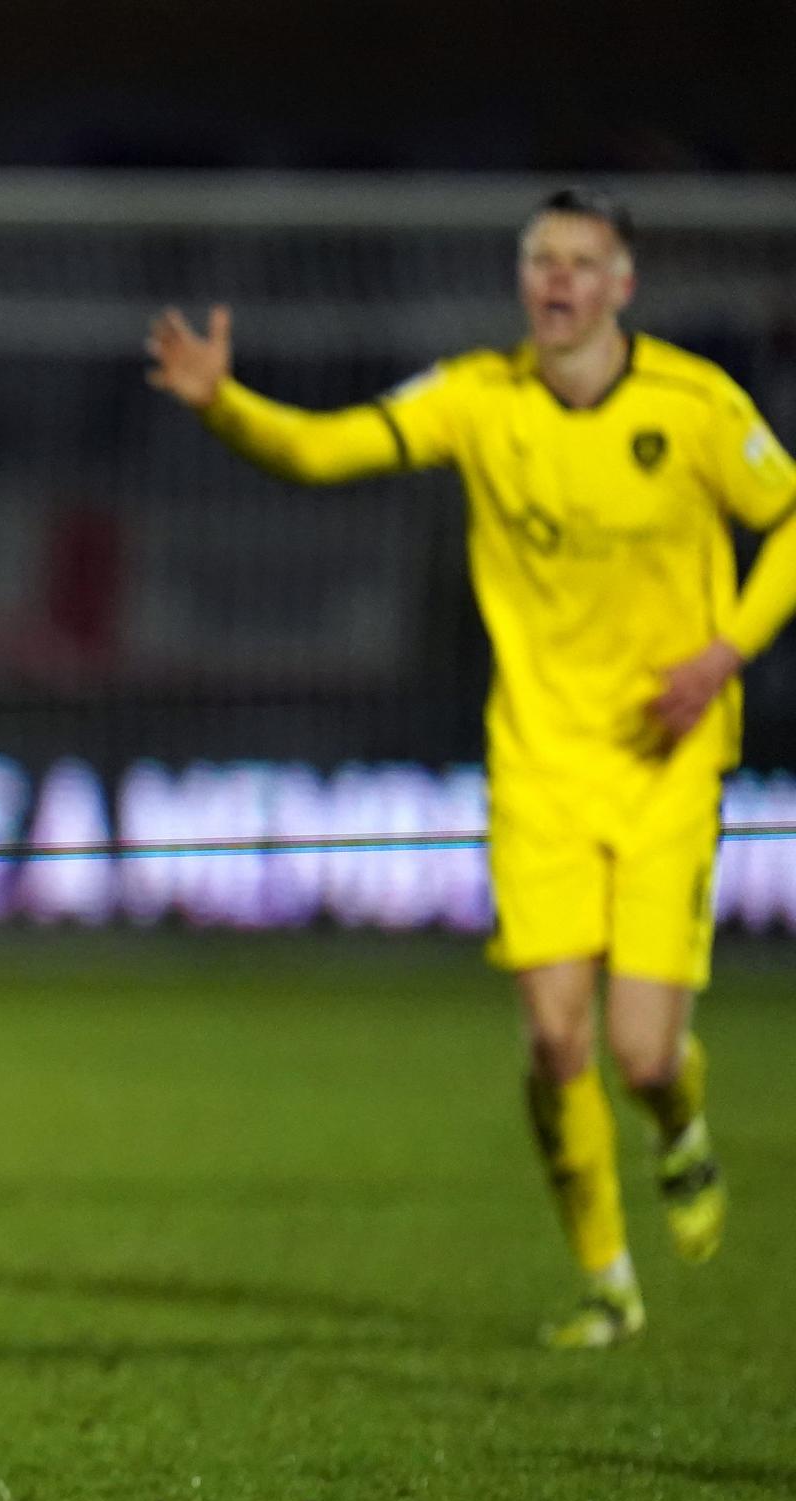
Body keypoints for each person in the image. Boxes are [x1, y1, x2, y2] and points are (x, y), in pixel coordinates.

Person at [147, 187, 796, 1347]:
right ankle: (606, 1280)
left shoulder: (696, 405)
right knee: (556, 1039)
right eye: (540, 259)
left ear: (622, 286)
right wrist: (225, 405)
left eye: (581, 262)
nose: (557, 280)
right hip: (538, 765)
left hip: (668, 763)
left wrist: (721, 652)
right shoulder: (478, 396)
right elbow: (323, 448)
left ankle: (680, 1125)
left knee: (643, 1051)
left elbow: (791, 520)